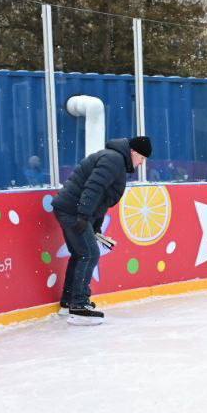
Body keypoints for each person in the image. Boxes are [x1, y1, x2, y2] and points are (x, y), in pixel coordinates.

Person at [50, 136, 153, 324]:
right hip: (72, 210)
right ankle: (79, 306)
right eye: (142, 158)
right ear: (134, 152)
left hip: (73, 209)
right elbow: (93, 188)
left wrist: (95, 225)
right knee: (89, 254)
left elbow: (102, 199)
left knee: (80, 254)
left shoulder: (117, 161)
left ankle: (68, 302)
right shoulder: (114, 159)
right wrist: (82, 215)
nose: (142, 163)